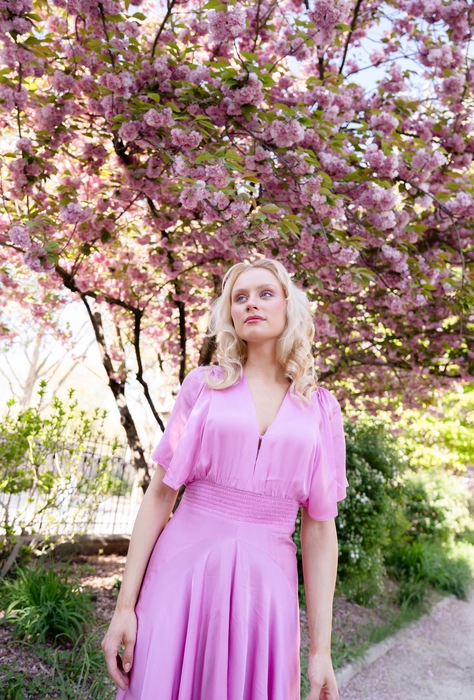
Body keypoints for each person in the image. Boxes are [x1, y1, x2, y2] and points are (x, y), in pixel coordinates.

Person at [102, 258, 348, 700]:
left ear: (288, 305)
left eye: (265, 293)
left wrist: (321, 651)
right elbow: (159, 497)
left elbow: (319, 530)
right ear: (230, 314)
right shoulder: (203, 387)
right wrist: (124, 607)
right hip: (180, 578)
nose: (251, 303)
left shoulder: (321, 408)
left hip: (265, 595)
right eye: (240, 297)